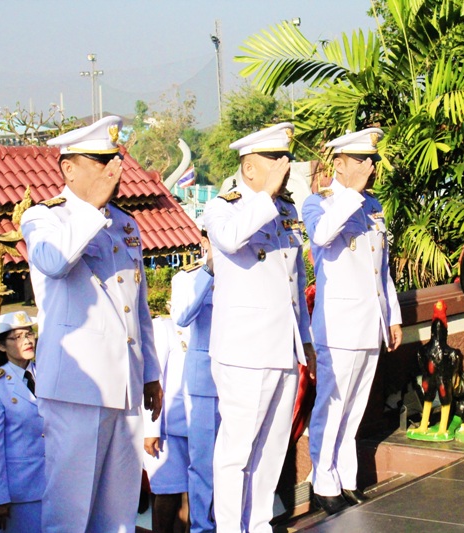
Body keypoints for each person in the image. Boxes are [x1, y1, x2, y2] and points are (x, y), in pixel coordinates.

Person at [20, 115, 163, 532]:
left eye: (115, 161)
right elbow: (54, 262)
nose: (112, 171)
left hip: (125, 383)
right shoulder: (44, 217)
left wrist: (150, 373)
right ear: (69, 168)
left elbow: (137, 308)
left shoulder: (125, 223)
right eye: (101, 162)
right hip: (76, 388)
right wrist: (91, 209)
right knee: (70, 510)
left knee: (118, 512)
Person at [203, 122, 315, 533]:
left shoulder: (286, 211)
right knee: (238, 451)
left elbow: (294, 282)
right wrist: (266, 194)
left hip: (283, 346)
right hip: (244, 351)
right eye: (275, 159)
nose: (284, 166)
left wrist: (305, 339)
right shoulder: (224, 208)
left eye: (286, 159)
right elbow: (231, 239)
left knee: (271, 448)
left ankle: (260, 523)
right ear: (249, 168)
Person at [301, 128, 403, 514]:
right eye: (361, 160)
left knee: (355, 407)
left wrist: (391, 316)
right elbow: (322, 236)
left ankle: (346, 478)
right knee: (332, 407)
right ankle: (322, 481)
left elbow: (381, 268)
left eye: (371, 160)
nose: (370, 167)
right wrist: (351, 193)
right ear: (340, 164)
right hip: (338, 325)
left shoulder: (372, 205)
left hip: (369, 323)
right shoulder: (319, 203)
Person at [0, 311, 44, 532]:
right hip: (20, 490)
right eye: (16, 337)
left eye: (29, 334)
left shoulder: (47, 374)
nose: (27, 341)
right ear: (1, 345)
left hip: (56, 482)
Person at [170, 221, 218, 533]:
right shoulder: (188, 277)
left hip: (240, 375)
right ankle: (203, 527)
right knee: (203, 462)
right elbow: (182, 315)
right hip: (205, 382)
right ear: (204, 241)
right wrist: (209, 272)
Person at [143, 312, 190, 533]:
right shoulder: (164, 327)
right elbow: (153, 379)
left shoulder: (206, 327)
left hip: (193, 427)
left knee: (189, 495)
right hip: (166, 430)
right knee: (167, 494)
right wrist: (151, 428)